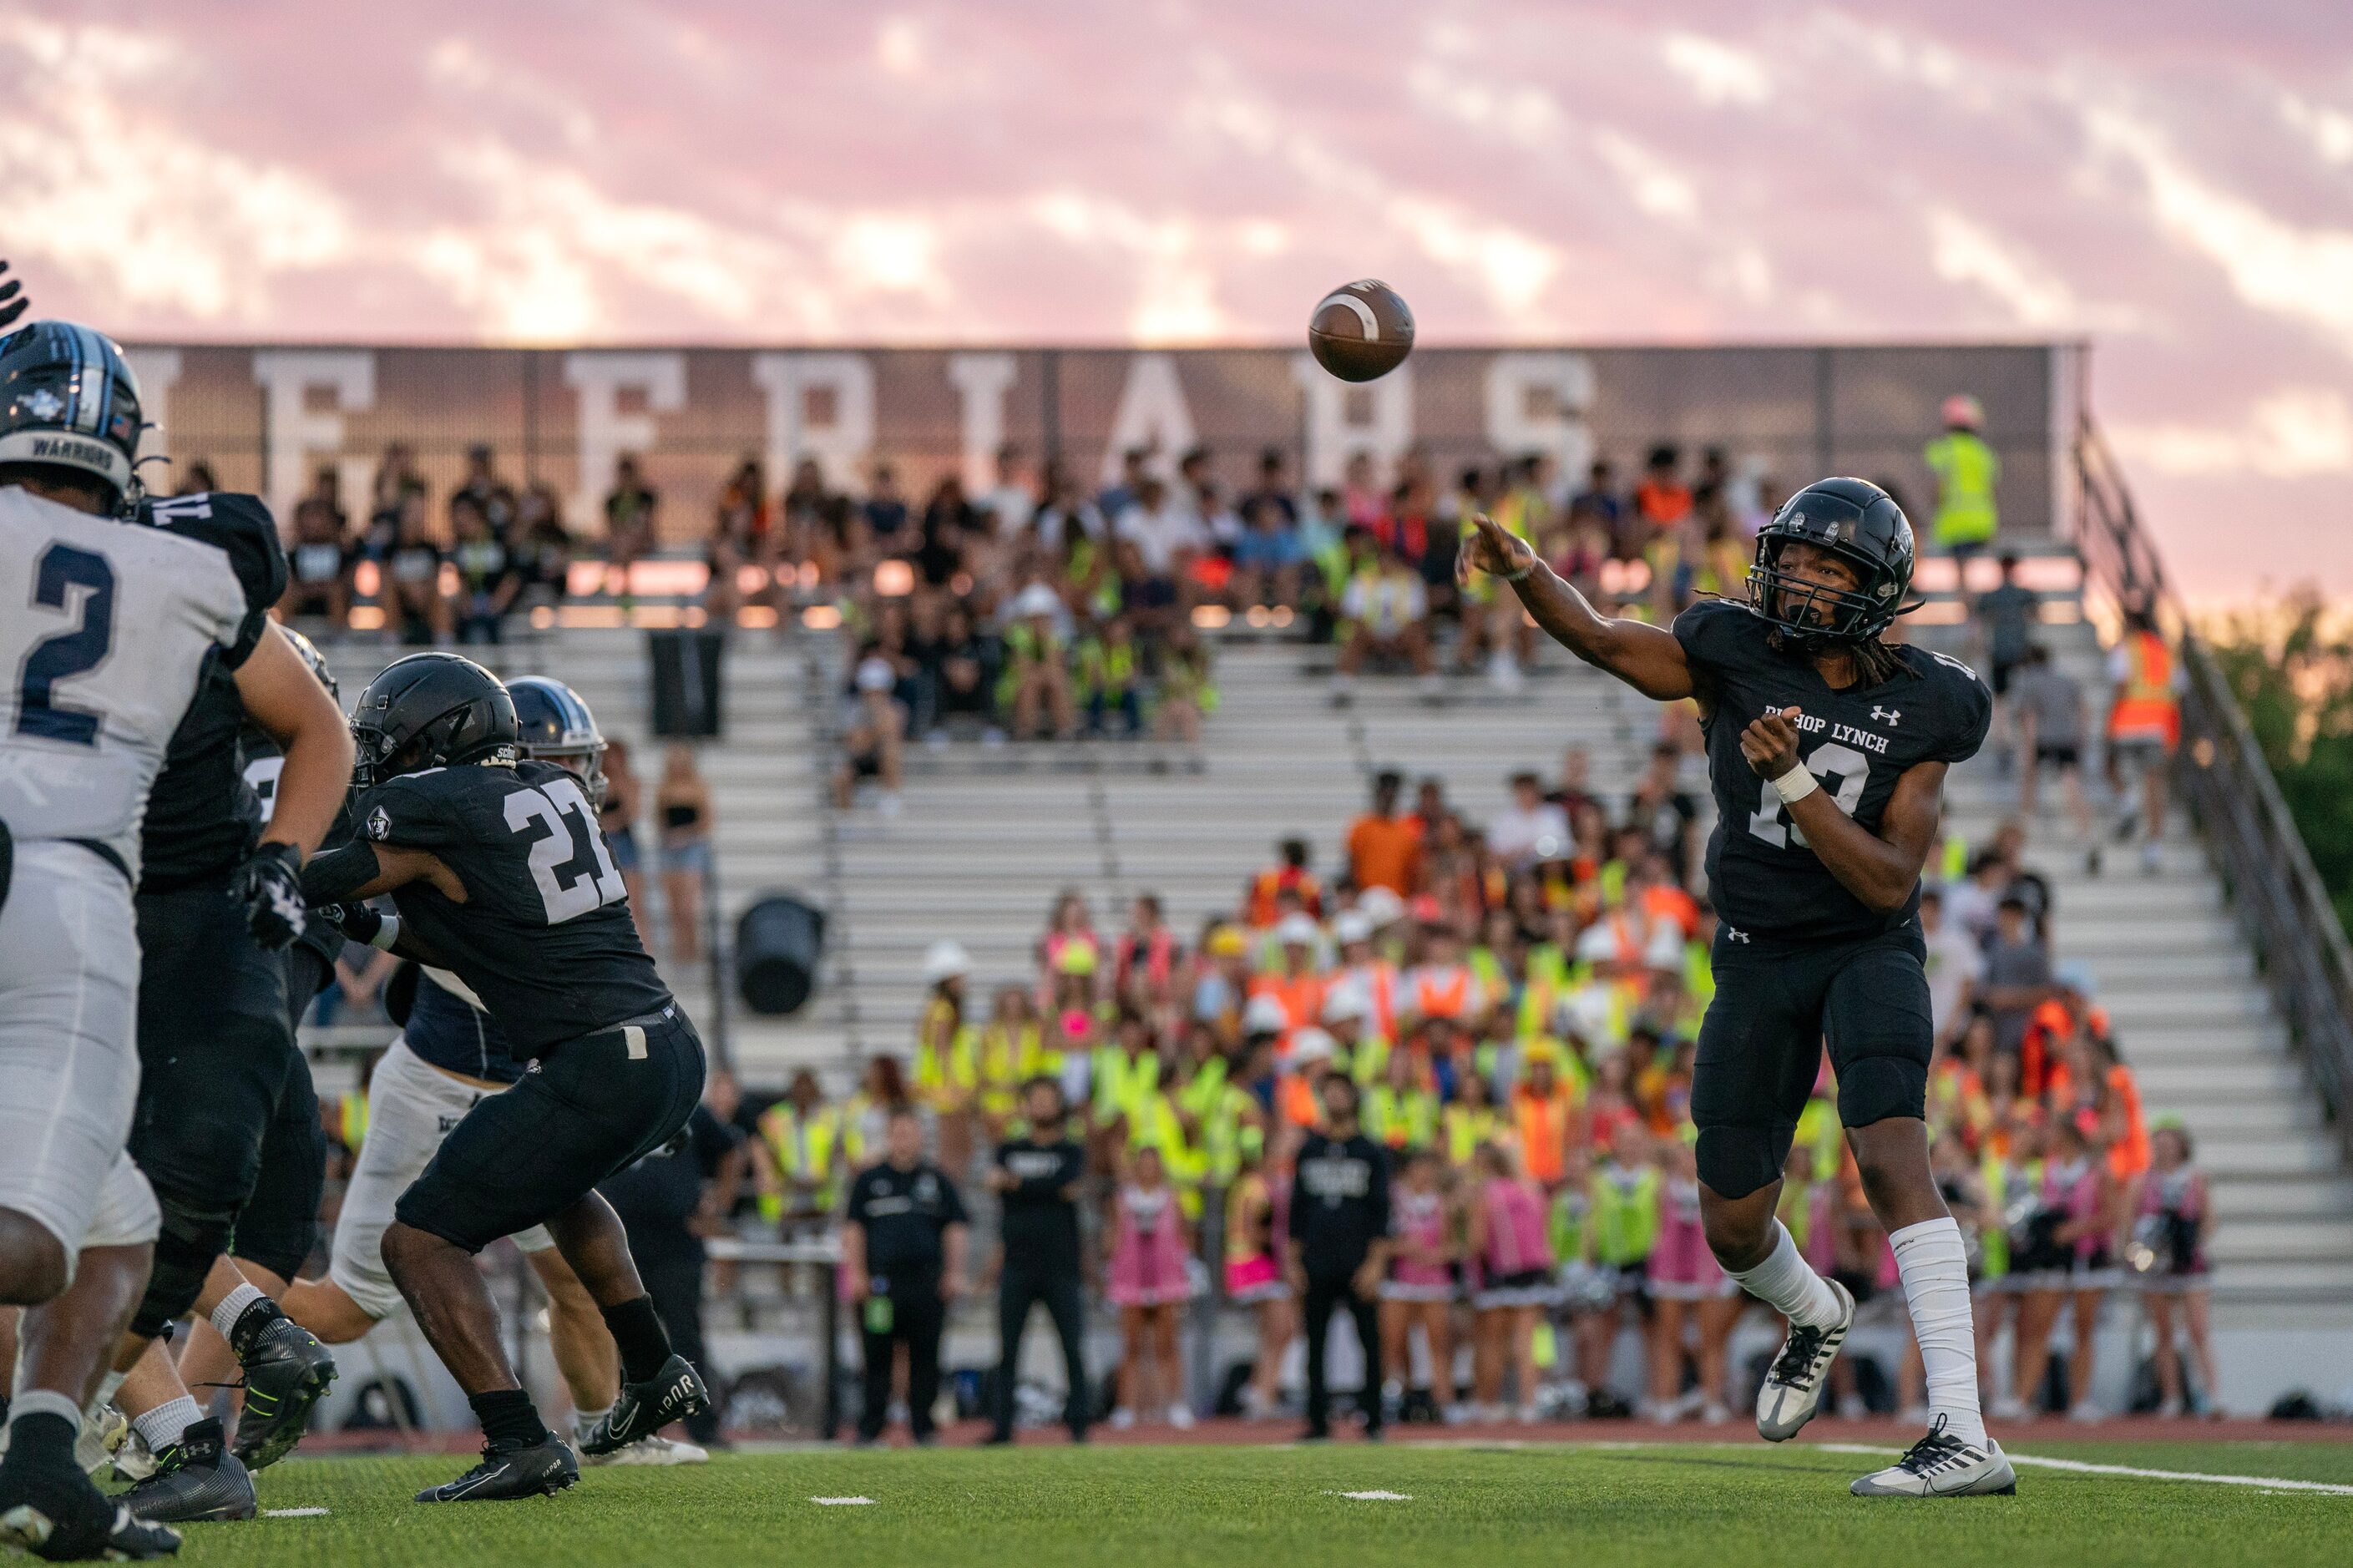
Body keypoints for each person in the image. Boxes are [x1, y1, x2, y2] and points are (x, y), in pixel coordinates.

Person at [1460, 477, 2015, 1495]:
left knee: (1891, 1155)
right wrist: (1528, 572)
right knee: (1729, 1224)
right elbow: (1602, 638)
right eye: (1790, 557)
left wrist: (1797, 782)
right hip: (1755, 951)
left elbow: (1889, 877)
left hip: (1865, 945)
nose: (1795, 578)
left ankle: (1964, 1431)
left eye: (1824, 566)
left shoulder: (1930, 701)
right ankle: (1813, 1311)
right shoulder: (1731, 648)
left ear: (1875, 588)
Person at [0, 318, 334, 1560]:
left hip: (84, 887)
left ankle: (41, 1454)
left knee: (114, 1213)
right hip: (70, 896)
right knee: (56, 1220)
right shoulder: (194, 567)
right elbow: (291, 666)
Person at [298, 655, 710, 1501]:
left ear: (434, 733)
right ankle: (653, 1366)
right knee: (558, 1193)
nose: (378, 753)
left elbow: (321, 847)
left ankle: (518, 1438)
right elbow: (459, 938)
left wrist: (281, 868)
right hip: (667, 1048)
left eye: (387, 737)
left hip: (598, 1060)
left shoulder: (437, 801)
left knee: (416, 1242)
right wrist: (356, 918)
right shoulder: (546, 793)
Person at [595, 1093, 745, 1449]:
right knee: (619, 1338)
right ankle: (621, 1427)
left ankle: (702, 1427)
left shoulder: (685, 1104)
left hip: (676, 1243)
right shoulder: (605, 1103)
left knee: (685, 1336)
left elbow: (732, 1149)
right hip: (615, 1243)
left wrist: (719, 1202)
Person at [843, 1110, 969, 1447]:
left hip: (926, 1286)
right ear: (889, 1136)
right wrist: (857, 1273)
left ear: (920, 1137)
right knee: (877, 1357)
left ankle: (922, 1428)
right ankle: (872, 1428)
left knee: (926, 1357)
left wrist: (954, 1273)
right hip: (881, 1287)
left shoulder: (937, 1180)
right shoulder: (870, 1181)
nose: (904, 1139)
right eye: (898, 1132)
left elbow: (955, 1227)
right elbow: (854, 1228)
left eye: (910, 1132)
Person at [1286, 1075, 1392, 1442]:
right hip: (1317, 1260)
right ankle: (1317, 1421)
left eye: (1340, 1091)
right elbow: (1297, 1211)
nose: (1334, 1098)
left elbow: (1381, 1213)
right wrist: (1294, 1261)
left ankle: (1374, 1419)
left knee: (1370, 1342)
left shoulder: (1371, 1152)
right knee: (1315, 1345)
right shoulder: (1309, 1150)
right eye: (1327, 1091)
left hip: (1358, 1259)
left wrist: (1376, 1263)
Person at [985, 1078, 1089, 1444]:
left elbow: (1071, 1186)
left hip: (1061, 1264)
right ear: (1025, 1106)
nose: (1043, 1105)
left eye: (1049, 1098)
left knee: (1072, 1346)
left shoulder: (1072, 1150)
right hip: (1017, 1262)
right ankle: (1001, 1428)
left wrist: (1019, 1185)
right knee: (1008, 1349)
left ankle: (1079, 1426)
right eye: (1036, 1099)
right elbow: (1052, 1188)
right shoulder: (1008, 1149)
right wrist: (1047, 1188)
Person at [1104, 1145, 1193, 1430]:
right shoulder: (1121, 1202)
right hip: (1131, 1279)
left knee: (1167, 1345)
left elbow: (1183, 1237)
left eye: (1153, 1164)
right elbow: (1113, 1239)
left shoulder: (1172, 1199)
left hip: (1166, 1280)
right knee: (1130, 1346)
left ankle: (1176, 1404)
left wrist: (1186, 1267)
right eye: (1142, 1164)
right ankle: (1126, 1407)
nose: (1147, 1169)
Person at [2135, 1119, 2218, 1418]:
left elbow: (2208, 1218)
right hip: (2158, 1267)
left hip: (2189, 1264)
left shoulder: (2194, 1178)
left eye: (2170, 1144)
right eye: (2160, 1144)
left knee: (2198, 1330)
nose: (2165, 1149)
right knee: (2163, 1333)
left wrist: (2192, 1241)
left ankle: (2210, 1394)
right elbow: (2133, 1220)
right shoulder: (2145, 1180)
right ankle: (2171, 1396)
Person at [1466, 1141, 1554, 1424]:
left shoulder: (1486, 1193)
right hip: (1532, 1272)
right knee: (1526, 1343)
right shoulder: (1532, 1190)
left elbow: (1476, 1241)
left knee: (1493, 1343)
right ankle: (1529, 1406)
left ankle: (1488, 1406)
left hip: (1498, 1272)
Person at [1379, 1149, 1455, 1423]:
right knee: (1393, 1343)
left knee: (1439, 1343)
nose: (1424, 1174)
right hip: (1400, 1281)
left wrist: (1434, 1255)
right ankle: (1397, 1397)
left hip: (1433, 1281)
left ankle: (1443, 1401)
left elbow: (1453, 1245)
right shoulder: (1393, 1199)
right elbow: (1379, 1242)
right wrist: (1402, 1248)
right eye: (1419, 1167)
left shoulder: (1440, 1202)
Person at [2105, 606, 2183, 875]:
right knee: (2155, 784)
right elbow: (2177, 690)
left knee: (2111, 766)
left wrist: (2110, 721)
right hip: (2158, 727)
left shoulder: (2126, 649)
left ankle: (2128, 803)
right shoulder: (2166, 651)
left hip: (2128, 723)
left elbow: (2120, 686)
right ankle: (2154, 847)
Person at [1222, 1136, 1293, 1420]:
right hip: (1255, 1264)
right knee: (1280, 1329)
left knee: (1274, 1332)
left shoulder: (1251, 1184)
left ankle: (1260, 1389)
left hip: (1251, 1263)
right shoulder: (1256, 1187)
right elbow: (1253, 1231)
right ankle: (1263, 1392)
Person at [654, 745, 713, 963]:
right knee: (675, 906)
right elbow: (659, 819)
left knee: (688, 907)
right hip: (669, 849)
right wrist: (669, 837)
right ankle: (680, 951)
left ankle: (692, 950)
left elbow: (707, 821)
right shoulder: (664, 788)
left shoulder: (698, 788)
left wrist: (684, 835)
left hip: (691, 847)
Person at [1925, 395, 2000, 565]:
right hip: (1982, 522)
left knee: (1961, 569)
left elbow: (1938, 488)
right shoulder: (1984, 453)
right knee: (1973, 566)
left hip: (1954, 523)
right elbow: (1992, 491)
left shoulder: (1943, 450)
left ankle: (1964, 592)